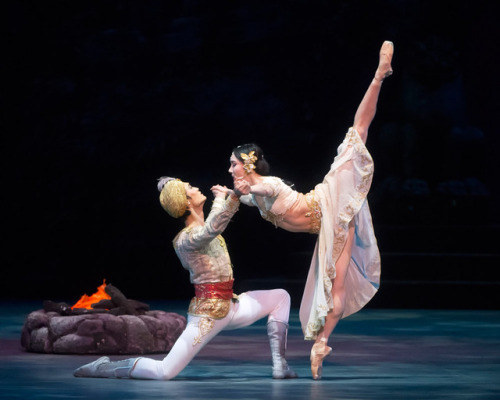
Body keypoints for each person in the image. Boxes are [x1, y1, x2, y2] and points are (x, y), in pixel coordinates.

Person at [230, 41, 394, 379]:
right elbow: (246, 198)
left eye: (233, 165)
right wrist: (231, 194)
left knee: (356, 135)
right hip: (331, 223)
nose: (230, 170)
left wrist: (249, 187)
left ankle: (378, 76)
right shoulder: (254, 194)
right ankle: (322, 343)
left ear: (247, 166)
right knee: (337, 289)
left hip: (328, 199)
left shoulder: (268, 184)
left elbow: (262, 188)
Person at [73, 178, 297, 380]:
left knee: (280, 297)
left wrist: (241, 195)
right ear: (187, 202)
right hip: (207, 315)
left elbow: (212, 226)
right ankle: (103, 368)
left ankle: (281, 366)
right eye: (190, 188)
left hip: (231, 307)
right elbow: (211, 229)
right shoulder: (185, 239)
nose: (197, 187)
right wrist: (227, 199)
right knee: (164, 372)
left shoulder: (203, 228)